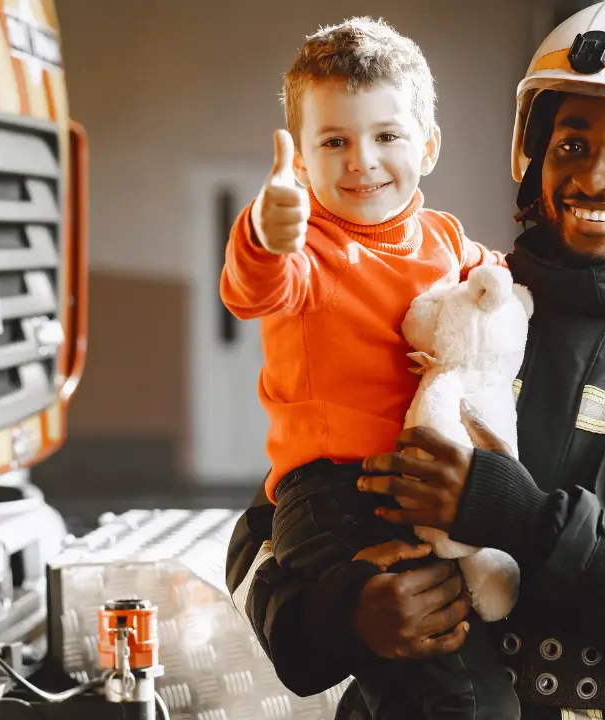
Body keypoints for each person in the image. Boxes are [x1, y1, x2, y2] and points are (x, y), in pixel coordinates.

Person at [226, 1, 605, 718]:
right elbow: (271, 522)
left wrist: (532, 522)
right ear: (534, 154)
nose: (595, 177)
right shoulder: (457, 308)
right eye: (570, 146)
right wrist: (338, 618)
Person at [218, 15, 520, 720]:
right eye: (334, 142)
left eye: (386, 136)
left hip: (426, 489)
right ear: (301, 159)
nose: (362, 161)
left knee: (417, 687)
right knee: (462, 694)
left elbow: (505, 292)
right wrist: (266, 231)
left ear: (429, 144)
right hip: (333, 499)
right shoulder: (310, 250)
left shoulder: (444, 239)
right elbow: (254, 285)